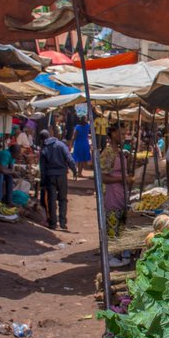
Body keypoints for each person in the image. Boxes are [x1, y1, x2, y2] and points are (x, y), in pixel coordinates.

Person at [99, 122, 132, 267]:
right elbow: (102, 177)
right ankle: (111, 256)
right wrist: (122, 178)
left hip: (121, 193)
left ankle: (119, 253)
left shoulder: (119, 151)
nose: (125, 137)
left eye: (125, 134)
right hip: (111, 194)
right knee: (112, 225)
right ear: (113, 134)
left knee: (120, 225)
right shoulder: (107, 153)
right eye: (122, 133)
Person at [39, 128, 77, 230]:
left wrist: (42, 182)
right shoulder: (61, 145)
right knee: (63, 199)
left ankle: (53, 223)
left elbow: (42, 169)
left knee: (51, 200)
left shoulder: (44, 149)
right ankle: (63, 222)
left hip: (50, 176)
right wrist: (74, 170)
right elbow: (69, 158)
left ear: (42, 139)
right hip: (62, 176)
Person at [70, 113, 92, 178]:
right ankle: (79, 172)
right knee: (82, 159)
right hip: (85, 143)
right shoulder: (87, 126)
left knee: (78, 159)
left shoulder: (77, 127)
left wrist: (71, 144)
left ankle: (77, 172)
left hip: (78, 144)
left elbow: (74, 137)